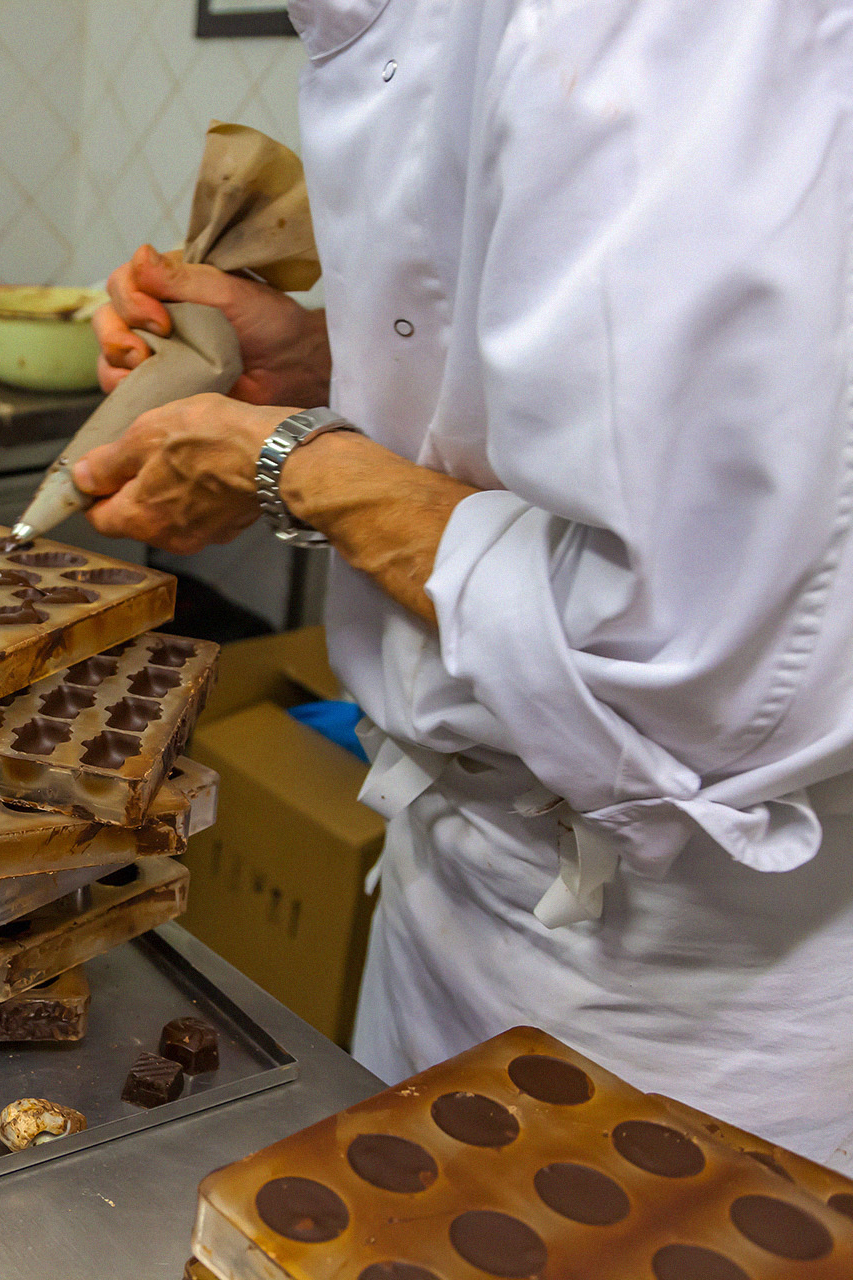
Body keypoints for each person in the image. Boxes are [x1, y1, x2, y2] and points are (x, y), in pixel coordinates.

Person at [82, 2, 853, 1169]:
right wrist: (329, 359)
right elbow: (580, 394)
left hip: (692, 989)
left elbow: (685, 662)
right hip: (453, 887)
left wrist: (290, 459)